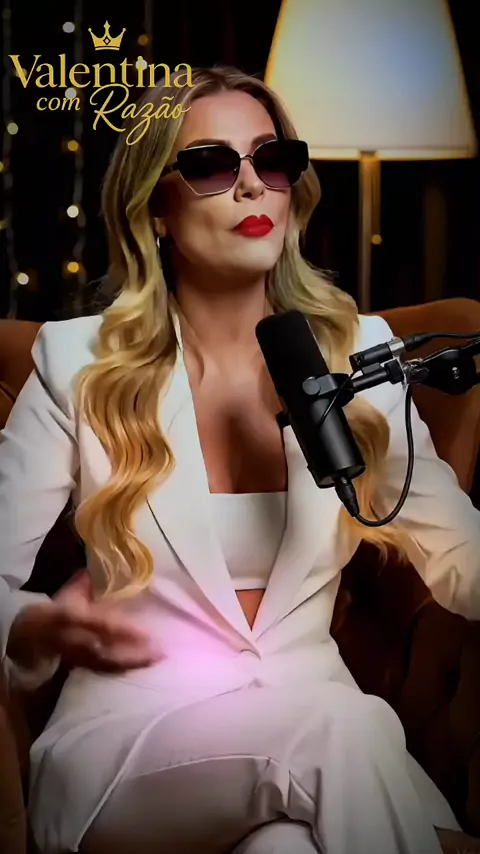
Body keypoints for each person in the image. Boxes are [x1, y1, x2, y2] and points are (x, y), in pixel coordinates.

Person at [1, 65, 479, 854]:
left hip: (315, 746)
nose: (253, 185)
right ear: (156, 208)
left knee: (284, 844)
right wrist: (37, 628)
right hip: (132, 749)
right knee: (343, 729)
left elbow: (460, 553)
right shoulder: (78, 363)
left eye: (272, 159)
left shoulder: (357, 352)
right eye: (212, 165)